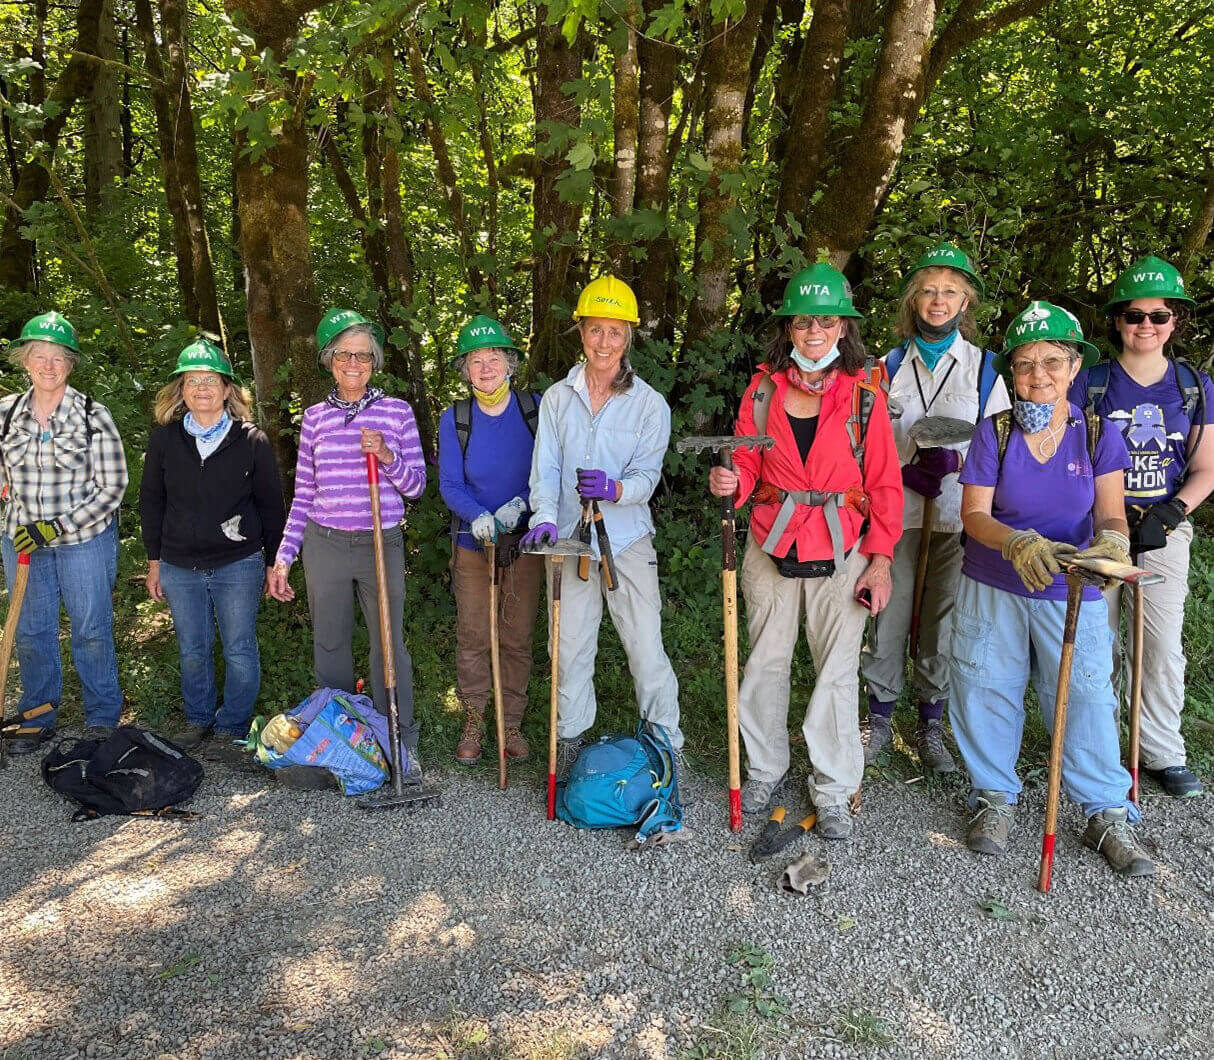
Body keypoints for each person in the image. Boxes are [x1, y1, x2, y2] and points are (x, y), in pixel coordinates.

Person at [951, 300, 1153, 876]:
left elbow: (1112, 516)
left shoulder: (1098, 436)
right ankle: (994, 797)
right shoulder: (997, 432)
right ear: (1011, 373)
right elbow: (973, 513)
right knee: (986, 686)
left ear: (1074, 369)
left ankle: (1104, 811)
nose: (1038, 375)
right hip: (993, 582)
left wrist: (1114, 544)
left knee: (1087, 696)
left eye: (1053, 361)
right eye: (1024, 364)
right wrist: (1014, 543)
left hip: (1074, 587)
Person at [708, 263, 903, 840]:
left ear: (843, 327)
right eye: (802, 321)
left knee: (837, 671)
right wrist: (732, 484)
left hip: (843, 549)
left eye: (825, 320)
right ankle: (765, 766)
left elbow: (886, 482)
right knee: (765, 660)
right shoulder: (764, 387)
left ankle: (835, 785)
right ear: (789, 328)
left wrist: (882, 558)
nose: (813, 331)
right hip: (772, 540)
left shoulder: (864, 393)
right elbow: (745, 459)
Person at [521, 276, 681, 774]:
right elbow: (544, 469)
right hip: (570, 540)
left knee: (645, 645)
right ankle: (568, 742)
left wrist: (615, 490)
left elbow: (647, 476)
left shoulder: (649, 403)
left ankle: (666, 744)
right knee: (568, 648)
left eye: (615, 332)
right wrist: (545, 519)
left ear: (628, 335)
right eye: (595, 331)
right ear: (581, 333)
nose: (604, 343)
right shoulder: (557, 399)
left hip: (628, 539)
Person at [860, 243, 1011, 771]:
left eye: (950, 291)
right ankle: (878, 717)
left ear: (966, 301)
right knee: (888, 614)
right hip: (894, 515)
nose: (938, 300)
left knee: (942, 622)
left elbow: (1000, 446)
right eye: (928, 290)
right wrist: (902, 468)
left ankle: (930, 726)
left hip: (958, 517)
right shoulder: (884, 368)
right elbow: (864, 442)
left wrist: (961, 463)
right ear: (913, 300)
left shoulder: (986, 371)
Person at [1069, 255, 1213, 799]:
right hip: (1096, 529)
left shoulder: (1194, 387)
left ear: (1174, 321)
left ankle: (1159, 750)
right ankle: (1097, 745)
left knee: (1159, 646)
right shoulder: (1093, 383)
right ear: (1117, 321)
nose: (1145, 326)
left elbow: (1206, 467)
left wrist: (1172, 514)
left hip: (1163, 532)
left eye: (1158, 316)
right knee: (1094, 640)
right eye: (1134, 316)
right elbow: (1067, 452)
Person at [267, 308, 426, 774]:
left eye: (362, 355)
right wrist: (283, 558)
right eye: (342, 354)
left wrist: (388, 454)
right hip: (326, 543)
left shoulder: (397, 412)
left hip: (382, 540)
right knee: (331, 643)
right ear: (329, 361)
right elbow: (303, 495)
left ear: (374, 362)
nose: (352, 363)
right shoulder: (315, 418)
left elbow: (415, 486)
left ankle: (399, 741)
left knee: (388, 643)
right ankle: (342, 739)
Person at [140, 339, 285, 770]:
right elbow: (152, 501)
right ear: (180, 391)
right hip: (179, 562)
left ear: (227, 390)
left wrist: (276, 562)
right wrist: (153, 561)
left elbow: (271, 505)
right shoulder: (165, 439)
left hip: (237, 561)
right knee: (192, 647)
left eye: (211, 381)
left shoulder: (251, 440)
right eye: (192, 381)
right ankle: (199, 720)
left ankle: (232, 726)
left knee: (239, 647)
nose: (201, 388)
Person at [0, 311, 128, 753]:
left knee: (91, 628)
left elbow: (113, 488)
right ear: (25, 361)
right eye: (40, 356)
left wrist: (54, 527)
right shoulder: (5, 413)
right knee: (32, 630)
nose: (49, 366)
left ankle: (102, 716)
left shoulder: (94, 415)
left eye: (58, 358)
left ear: (70, 365)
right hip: (20, 543)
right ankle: (38, 712)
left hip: (82, 541)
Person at [439, 314, 543, 765]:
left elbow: (549, 472)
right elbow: (449, 483)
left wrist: (521, 503)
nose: (485, 368)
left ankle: (512, 721)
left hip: (523, 544)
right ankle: (476, 718)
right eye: (476, 360)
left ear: (511, 364)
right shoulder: (456, 419)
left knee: (516, 636)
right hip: (472, 544)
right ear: (465, 370)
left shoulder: (534, 409)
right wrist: (478, 514)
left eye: (494, 358)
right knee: (474, 635)